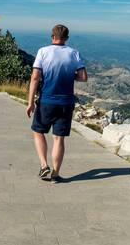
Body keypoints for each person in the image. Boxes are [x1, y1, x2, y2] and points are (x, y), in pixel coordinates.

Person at [26, 23, 87, 182]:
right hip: (66, 102)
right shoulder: (74, 53)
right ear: (66, 38)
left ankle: (44, 165)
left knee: (38, 131)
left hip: (47, 100)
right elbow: (83, 77)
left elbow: (34, 78)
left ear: (52, 36)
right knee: (58, 139)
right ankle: (55, 174)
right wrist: (69, 76)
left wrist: (30, 102)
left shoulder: (43, 52)